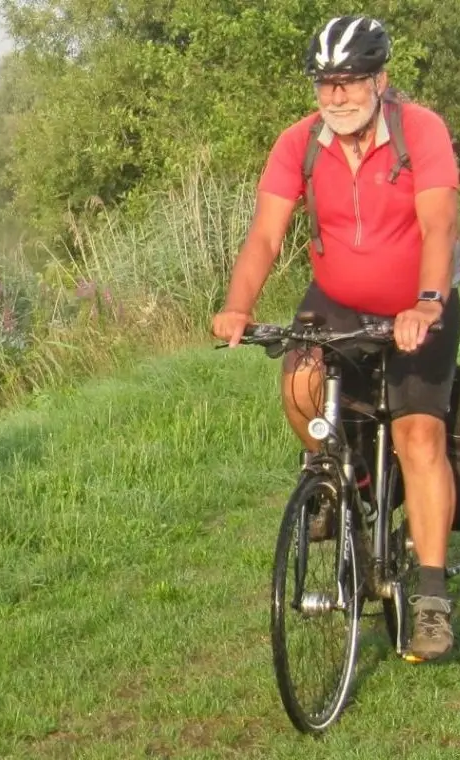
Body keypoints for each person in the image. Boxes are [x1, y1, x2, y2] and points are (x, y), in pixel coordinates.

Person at [212, 16, 460, 662]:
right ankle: (337, 479)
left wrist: (426, 303)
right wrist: (236, 308)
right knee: (298, 384)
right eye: (325, 84)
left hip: (417, 301)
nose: (336, 96)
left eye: (349, 82)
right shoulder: (297, 143)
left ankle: (430, 597)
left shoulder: (420, 131)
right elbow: (266, 236)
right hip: (336, 297)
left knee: (417, 434)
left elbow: (439, 225)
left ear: (379, 79)